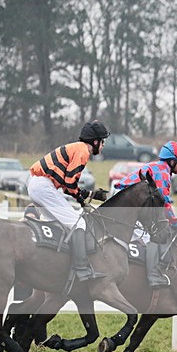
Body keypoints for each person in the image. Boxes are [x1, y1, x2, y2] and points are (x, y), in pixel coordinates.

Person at [27, 120, 110, 284]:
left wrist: (89, 194)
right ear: (95, 141)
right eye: (103, 141)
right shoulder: (83, 151)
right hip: (44, 186)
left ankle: (57, 264)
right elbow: (71, 183)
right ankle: (82, 269)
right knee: (78, 224)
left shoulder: (77, 148)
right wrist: (82, 200)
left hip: (38, 185)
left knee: (59, 224)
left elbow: (67, 186)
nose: (103, 145)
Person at [116, 140, 177, 289]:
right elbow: (163, 203)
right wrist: (175, 222)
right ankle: (153, 276)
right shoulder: (162, 173)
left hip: (127, 200)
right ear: (171, 161)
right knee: (151, 236)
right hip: (127, 204)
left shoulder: (160, 168)